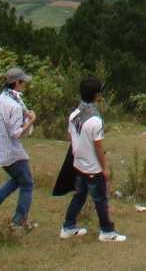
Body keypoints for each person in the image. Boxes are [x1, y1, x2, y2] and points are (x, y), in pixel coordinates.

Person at [61, 77, 125, 242]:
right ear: (97, 96)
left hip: (79, 163)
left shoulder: (75, 114)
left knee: (79, 196)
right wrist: (105, 168)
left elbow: (70, 136)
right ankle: (107, 231)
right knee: (100, 200)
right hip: (92, 167)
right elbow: (98, 147)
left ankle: (68, 227)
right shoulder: (95, 120)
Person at [0, 67, 37, 231]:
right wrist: (31, 120)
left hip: (0, 149)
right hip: (13, 151)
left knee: (19, 180)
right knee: (27, 184)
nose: (24, 85)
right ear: (17, 83)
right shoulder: (15, 105)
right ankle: (18, 221)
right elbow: (16, 133)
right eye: (23, 82)